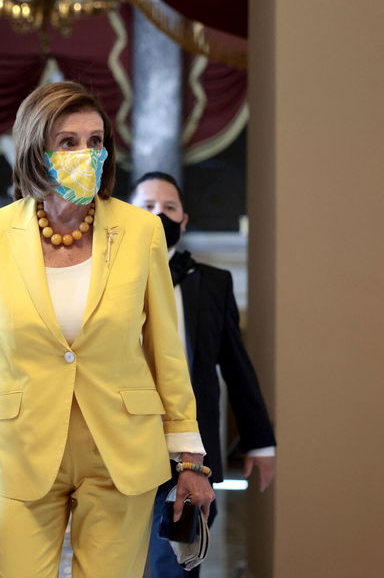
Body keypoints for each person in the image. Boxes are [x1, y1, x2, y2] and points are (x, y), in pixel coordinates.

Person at [0, 81, 214, 578]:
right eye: (69, 142)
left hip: (122, 445)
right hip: (22, 447)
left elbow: (167, 352)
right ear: (37, 151)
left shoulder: (141, 231)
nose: (87, 153)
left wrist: (190, 459)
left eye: (96, 141)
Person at [130, 171, 277, 578]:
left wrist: (260, 440)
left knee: (176, 565)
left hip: (191, 450)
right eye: (148, 207)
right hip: (119, 442)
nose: (160, 214)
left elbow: (236, 363)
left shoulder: (213, 284)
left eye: (169, 207)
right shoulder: (105, 280)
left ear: (185, 219)